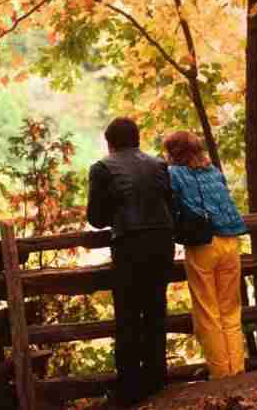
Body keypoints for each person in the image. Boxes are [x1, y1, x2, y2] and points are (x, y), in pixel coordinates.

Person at [87, 117, 175, 406]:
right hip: (162, 242)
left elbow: (96, 218)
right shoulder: (159, 165)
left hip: (130, 245)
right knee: (155, 311)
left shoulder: (101, 168)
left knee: (127, 316)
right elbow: (170, 204)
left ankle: (129, 388)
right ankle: (157, 381)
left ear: (109, 143)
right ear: (137, 139)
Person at [163, 130, 247, 380]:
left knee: (208, 312)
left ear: (174, 153)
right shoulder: (213, 172)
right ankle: (237, 369)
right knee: (230, 309)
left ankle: (221, 374)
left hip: (203, 245)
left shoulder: (173, 174)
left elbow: (171, 207)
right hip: (230, 241)